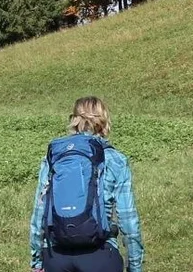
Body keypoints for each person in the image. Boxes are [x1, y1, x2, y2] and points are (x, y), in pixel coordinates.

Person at [30, 97, 144, 272]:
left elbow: (39, 213)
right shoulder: (116, 160)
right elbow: (128, 219)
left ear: (74, 119)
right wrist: (135, 266)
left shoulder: (55, 157)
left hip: (57, 256)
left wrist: (37, 261)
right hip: (101, 255)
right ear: (104, 120)